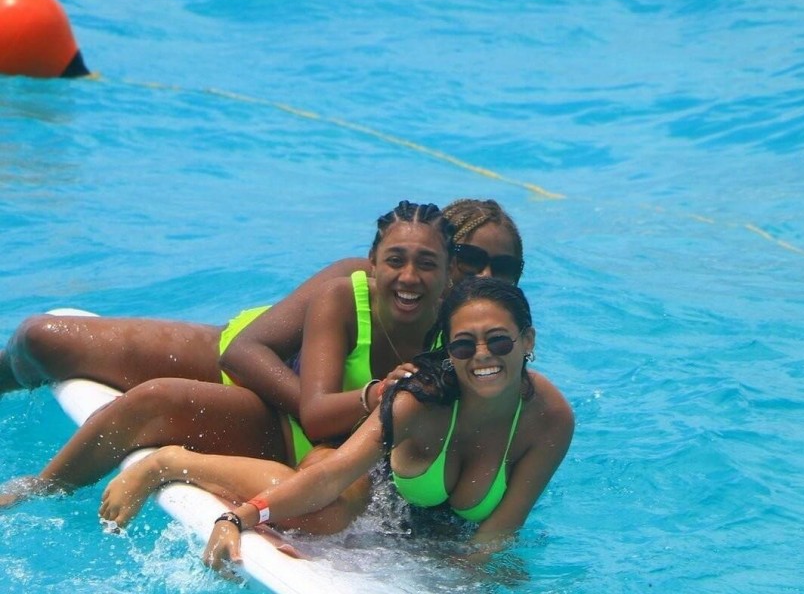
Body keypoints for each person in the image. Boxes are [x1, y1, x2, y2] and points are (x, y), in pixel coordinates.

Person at [0, 200, 455, 506]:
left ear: (450, 272)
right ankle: (38, 487)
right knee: (51, 342)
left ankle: (53, 488)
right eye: (395, 259)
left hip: (318, 445)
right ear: (373, 260)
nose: (409, 276)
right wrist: (363, 401)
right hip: (275, 398)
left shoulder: (463, 333)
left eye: (427, 264)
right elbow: (272, 379)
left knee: (154, 402)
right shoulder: (346, 293)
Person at [98, 277, 574, 568]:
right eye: (464, 345)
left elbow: (498, 532)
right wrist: (236, 517)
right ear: (448, 350)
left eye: (499, 341)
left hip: (436, 539)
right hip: (363, 493)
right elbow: (330, 477)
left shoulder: (550, 419)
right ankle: (172, 462)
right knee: (324, 516)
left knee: (506, 573)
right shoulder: (421, 401)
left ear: (528, 340)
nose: (483, 356)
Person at [0, 198, 524, 416]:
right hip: (242, 365)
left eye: (503, 268)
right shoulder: (361, 284)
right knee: (42, 339)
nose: (485, 277)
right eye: (472, 259)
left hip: (305, 420)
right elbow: (245, 353)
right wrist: (322, 414)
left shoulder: (485, 346)